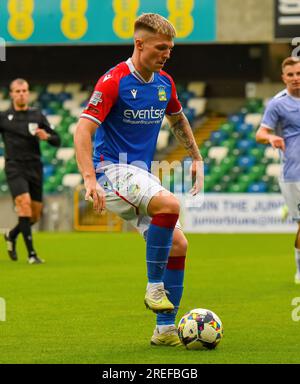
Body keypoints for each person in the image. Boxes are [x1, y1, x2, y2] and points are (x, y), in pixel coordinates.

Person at [74, 13, 204, 346]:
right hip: (110, 170)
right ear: (139, 43)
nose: (166, 54)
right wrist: (89, 179)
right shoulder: (114, 80)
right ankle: (153, 286)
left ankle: (164, 330)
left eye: (170, 49)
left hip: (139, 174)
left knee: (178, 244)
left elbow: (178, 118)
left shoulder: (165, 83)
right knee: (169, 203)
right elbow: (83, 129)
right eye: (161, 48)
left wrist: (196, 155)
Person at [0, 78, 61, 264]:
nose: (21, 94)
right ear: (11, 94)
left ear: (28, 93)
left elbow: (57, 140)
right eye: (17, 91)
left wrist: (47, 136)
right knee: (24, 205)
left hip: (35, 167)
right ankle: (32, 254)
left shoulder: (37, 115)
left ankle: (11, 234)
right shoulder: (3, 117)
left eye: (24, 90)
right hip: (14, 167)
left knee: (33, 216)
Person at [256, 56, 300, 284]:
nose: (295, 79)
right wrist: (271, 137)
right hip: (294, 174)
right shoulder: (277, 103)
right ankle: (299, 269)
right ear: (284, 78)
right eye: (291, 75)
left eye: (299, 74)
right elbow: (260, 134)